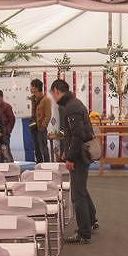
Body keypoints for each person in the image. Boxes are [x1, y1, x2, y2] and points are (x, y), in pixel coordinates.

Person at [49, 79, 97, 244]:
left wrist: (70, 157)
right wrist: (66, 150)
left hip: (79, 156)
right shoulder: (74, 103)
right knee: (81, 189)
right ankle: (92, 220)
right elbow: (73, 134)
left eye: (52, 94)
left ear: (56, 90)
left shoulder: (71, 107)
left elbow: (78, 135)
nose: (53, 98)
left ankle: (84, 233)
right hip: (80, 153)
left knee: (77, 195)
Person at [29, 78, 51, 163]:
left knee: (43, 147)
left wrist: (43, 125)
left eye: (31, 86)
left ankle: (47, 164)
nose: (30, 88)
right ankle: (39, 163)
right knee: (36, 147)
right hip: (33, 126)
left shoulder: (46, 100)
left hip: (41, 127)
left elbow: (48, 115)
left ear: (36, 88)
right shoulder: (33, 99)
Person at [0, 89, 16, 162]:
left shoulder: (7, 106)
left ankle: (11, 165)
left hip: (5, 133)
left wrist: (8, 130)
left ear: (1, 97)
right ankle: (2, 166)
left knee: (6, 151)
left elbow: (12, 119)